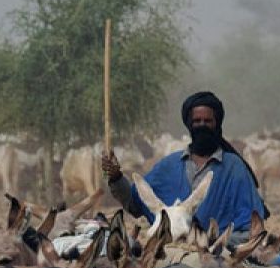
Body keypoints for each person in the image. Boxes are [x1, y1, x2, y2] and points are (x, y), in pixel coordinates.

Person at [102, 91, 268, 243]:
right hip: (169, 255)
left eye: (207, 121)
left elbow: (251, 230)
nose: (202, 125)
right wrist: (116, 176)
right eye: (197, 121)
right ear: (189, 124)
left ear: (216, 124)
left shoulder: (234, 168)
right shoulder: (168, 166)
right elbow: (134, 204)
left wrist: (209, 242)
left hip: (216, 257)